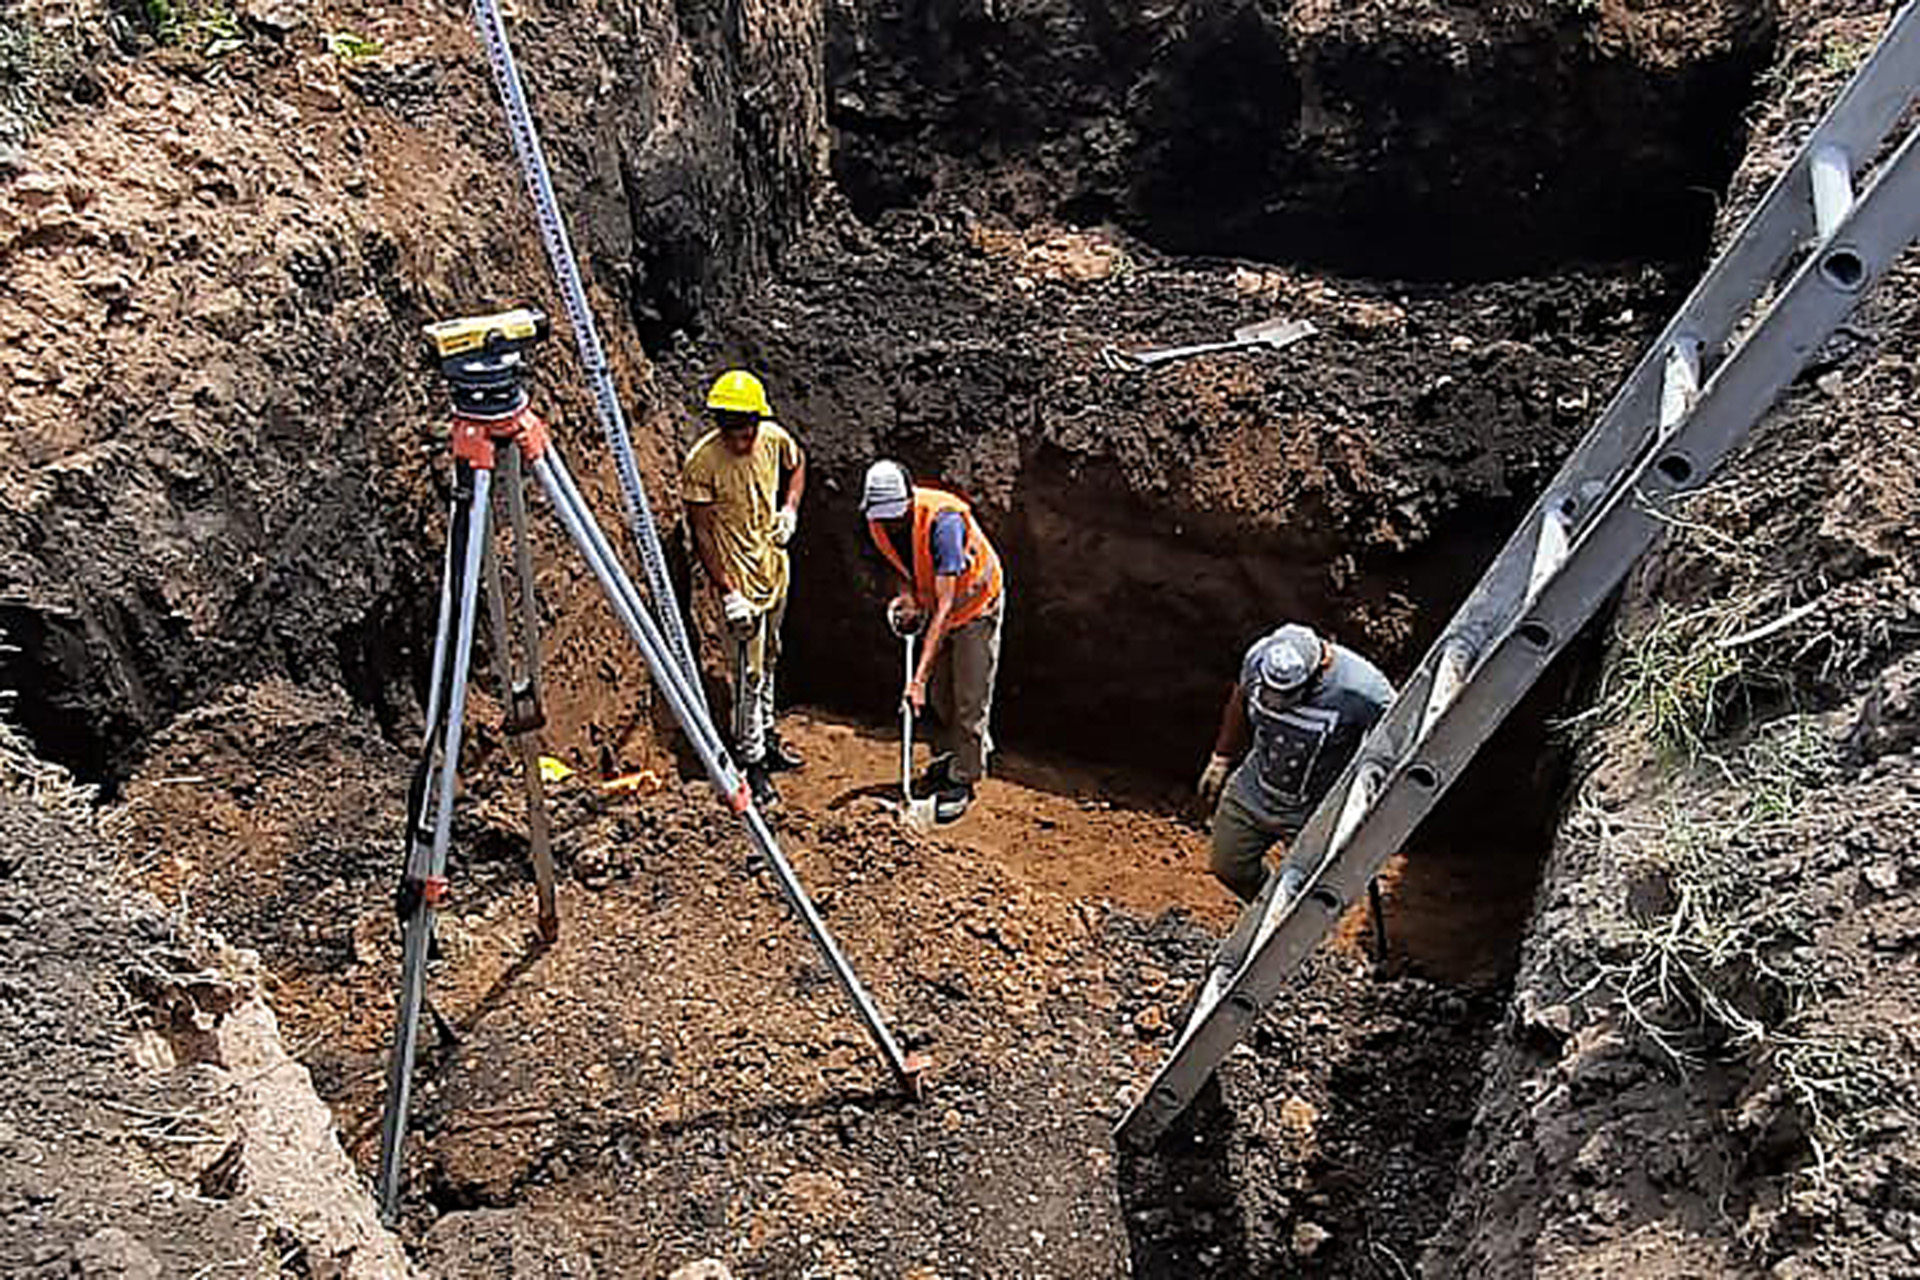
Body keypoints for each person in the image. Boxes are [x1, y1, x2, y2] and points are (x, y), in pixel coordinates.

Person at [1196, 623, 1394, 902]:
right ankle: (1266, 911)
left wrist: (1366, 800)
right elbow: (1240, 697)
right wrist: (1221, 758)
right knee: (1228, 866)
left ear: (1320, 669)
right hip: (1256, 791)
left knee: (1314, 896)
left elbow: (1395, 741)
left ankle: (1291, 929)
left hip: (1315, 811)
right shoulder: (1257, 658)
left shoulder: (1363, 690)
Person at [682, 369, 805, 809]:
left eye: (747, 428)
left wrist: (789, 509)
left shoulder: (772, 438)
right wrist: (727, 591)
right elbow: (701, 533)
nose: (741, 439)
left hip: (772, 569)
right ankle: (750, 761)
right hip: (739, 584)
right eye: (731, 430)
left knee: (769, 657)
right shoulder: (703, 462)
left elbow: (798, 463)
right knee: (747, 675)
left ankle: (767, 738)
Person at [860, 459, 1005, 823]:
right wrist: (907, 597)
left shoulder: (944, 523)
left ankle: (964, 778)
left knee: (970, 700)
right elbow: (901, 565)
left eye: (896, 516)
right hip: (942, 605)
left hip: (975, 606)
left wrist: (917, 680)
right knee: (944, 697)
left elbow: (944, 608)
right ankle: (963, 751)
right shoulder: (879, 521)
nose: (890, 523)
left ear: (909, 500)